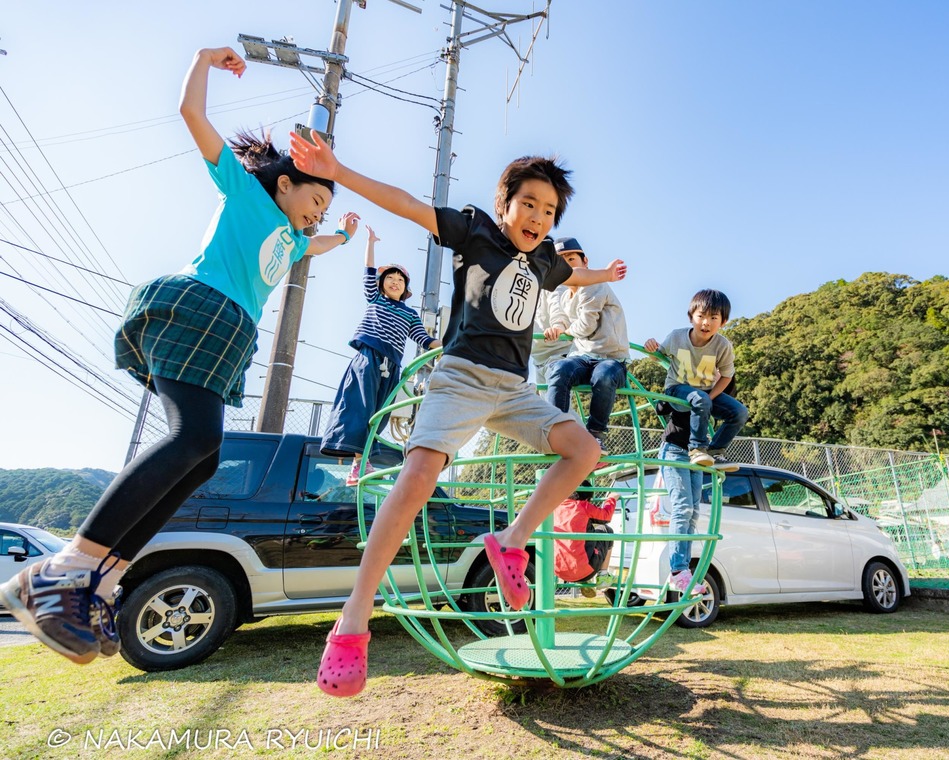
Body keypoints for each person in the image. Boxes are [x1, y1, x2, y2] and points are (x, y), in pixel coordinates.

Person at [0, 46, 359, 665]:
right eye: (314, 201)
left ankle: (101, 583)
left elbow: (314, 246)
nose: (315, 215)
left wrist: (344, 235)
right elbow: (191, 113)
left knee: (202, 458)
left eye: (322, 212)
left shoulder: (292, 238)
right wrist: (202, 60)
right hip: (199, 307)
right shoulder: (246, 194)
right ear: (285, 182)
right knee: (192, 438)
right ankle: (60, 572)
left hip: (230, 332)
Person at [287, 130, 627, 697]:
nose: (538, 217)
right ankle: (354, 616)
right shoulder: (475, 231)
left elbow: (575, 276)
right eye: (529, 204)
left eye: (549, 211)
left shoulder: (545, 259)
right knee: (418, 475)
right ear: (504, 204)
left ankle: (512, 540)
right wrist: (339, 172)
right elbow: (407, 204)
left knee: (584, 450)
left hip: (513, 389)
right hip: (462, 375)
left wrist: (605, 276)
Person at [320, 225, 441, 485]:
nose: (395, 282)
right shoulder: (375, 299)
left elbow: (424, 338)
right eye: (390, 278)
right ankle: (358, 462)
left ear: (405, 288)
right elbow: (368, 271)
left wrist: (447, 346)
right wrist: (371, 243)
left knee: (380, 413)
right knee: (361, 407)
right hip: (369, 358)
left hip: (392, 365)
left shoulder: (409, 314)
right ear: (382, 284)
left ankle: (362, 462)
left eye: (400, 280)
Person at [543, 237, 630, 455]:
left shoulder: (593, 284)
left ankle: (595, 434)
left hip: (611, 358)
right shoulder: (565, 295)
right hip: (583, 356)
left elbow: (586, 325)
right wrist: (557, 328)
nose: (567, 266)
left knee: (604, 376)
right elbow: (562, 320)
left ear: (585, 262)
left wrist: (564, 331)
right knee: (559, 369)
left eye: (571, 259)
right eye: (561, 262)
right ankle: (557, 430)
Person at [644, 289, 748, 468]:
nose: (706, 323)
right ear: (691, 317)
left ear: (723, 322)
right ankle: (697, 448)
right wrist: (651, 348)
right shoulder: (677, 337)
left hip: (705, 391)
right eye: (701, 316)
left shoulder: (722, 345)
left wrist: (711, 397)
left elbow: (726, 376)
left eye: (714, 317)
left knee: (739, 412)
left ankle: (715, 451)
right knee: (700, 399)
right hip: (677, 388)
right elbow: (657, 355)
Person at [654, 377, 739, 594]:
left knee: (693, 511)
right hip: (674, 450)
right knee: (682, 508)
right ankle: (677, 570)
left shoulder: (713, 400)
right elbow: (660, 407)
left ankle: (683, 569)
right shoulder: (690, 392)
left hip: (696, 456)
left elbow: (732, 411)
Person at [553, 479, 617, 595]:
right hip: (584, 570)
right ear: (587, 499)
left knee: (578, 537)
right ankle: (603, 576)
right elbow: (606, 516)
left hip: (559, 571)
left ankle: (584, 580)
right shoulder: (583, 506)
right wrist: (612, 499)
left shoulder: (556, 507)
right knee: (605, 530)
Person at [531, 287, 569, 385]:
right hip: (538, 360)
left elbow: (557, 302)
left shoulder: (552, 284)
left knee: (556, 393)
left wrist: (558, 325)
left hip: (558, 357)